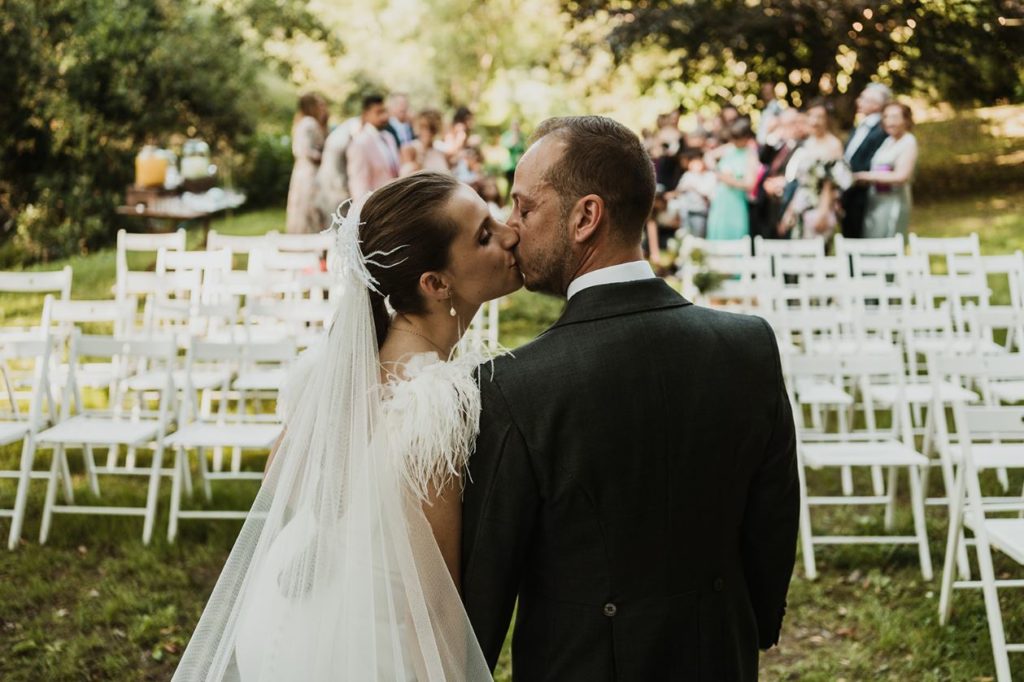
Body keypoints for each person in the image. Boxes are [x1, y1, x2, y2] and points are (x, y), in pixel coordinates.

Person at [462, 115, 799, 681]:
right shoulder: (749, 346)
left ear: (585, 217)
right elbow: (772, 519)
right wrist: (755, 625)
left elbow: (486, 584)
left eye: (525, 207)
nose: (513, 228)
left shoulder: (514, 385)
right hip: (719, 656)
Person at [173, 172, 522, 681]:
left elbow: (279, 478)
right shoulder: (433, 402)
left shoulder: (338, 371)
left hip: (280, 617)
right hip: (363, 650)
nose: (510, 233)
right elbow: (433, 601)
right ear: (435, 283)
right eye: (485, 234)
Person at [779, 100, 848, 241]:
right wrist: (790, 211)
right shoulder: (807, 143)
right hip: (802, 202)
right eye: (811, 115)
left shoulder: (833, 144)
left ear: (827, 119)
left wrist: (822, 213)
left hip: (821, 205)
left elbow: (830, 183)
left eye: (820, 117)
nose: (815, 121)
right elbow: (802, 182)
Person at [856, 102, 919, 239]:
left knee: (889, 241)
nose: (890, 122)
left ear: (906, 120)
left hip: (893, 201)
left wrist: (867, 177)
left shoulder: (908, 141)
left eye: (895, 117)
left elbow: (902, 176)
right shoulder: (887, 141)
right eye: (886, 117)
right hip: (876, 200)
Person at [840, 83, 891, 239]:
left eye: (864, 98)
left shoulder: (882, 130)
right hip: (848, 193)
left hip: (864, 193)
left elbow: (876, 162)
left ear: (877, 105)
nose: (858, 101)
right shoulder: (859, 127)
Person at [706, 117, 760, 240]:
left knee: (733, 237)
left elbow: (750, 184)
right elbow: (708, 156)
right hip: (720, 200)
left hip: (736, 202)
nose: (734, 142)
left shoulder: (750, 154)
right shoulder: (729, 148)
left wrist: (727, 179)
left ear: (746, 137)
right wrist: (715, 169)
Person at [286, 92, 328, 234]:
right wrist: (327, 156)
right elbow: (304, 150)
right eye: (320, 104)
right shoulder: (309, 123)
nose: (323, 107)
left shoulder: (304, 122)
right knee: (309, 208)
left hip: (305, 171)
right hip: (309, 174)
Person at [346, 94, 400, 202]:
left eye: (385, 111)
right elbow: (358, 184)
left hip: (395, 202)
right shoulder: (359, 143)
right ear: (366, 114)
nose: (384, 116)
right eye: (379, 112)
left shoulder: (389, 137)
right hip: (376, 206)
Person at [315, 112, 362, 223]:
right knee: (336, 219)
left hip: (332, 182)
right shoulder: (345, 138)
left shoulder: (339, 135)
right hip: (335, 184)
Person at [666, 148, 716, 238]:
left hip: (700, 212)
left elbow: (708, 194)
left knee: (698, 237)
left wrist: (694, 187)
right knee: (686, 235)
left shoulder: (710, 176)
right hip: (685, 211)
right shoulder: (688, 175)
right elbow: (679, 190)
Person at [399, 109, 449, 176]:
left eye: (432, 128)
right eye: (423, 126)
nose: (428, 132)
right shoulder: (409, 148)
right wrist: (423, 149)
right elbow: (406, 177)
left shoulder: (439, 152)